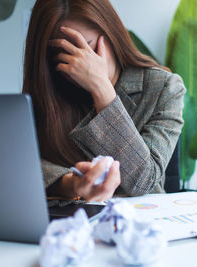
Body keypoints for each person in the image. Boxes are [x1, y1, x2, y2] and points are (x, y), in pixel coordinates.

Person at [23, 0, 185, 202]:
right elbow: (21, 165)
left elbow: (144, 182)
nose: (79, 62)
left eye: (86, 47)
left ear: (111, 33)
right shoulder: (51, 90)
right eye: (65, 55)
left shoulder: (163, 88)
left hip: (139, 224)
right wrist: (72, 183)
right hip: (66, 224)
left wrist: (102, 89)